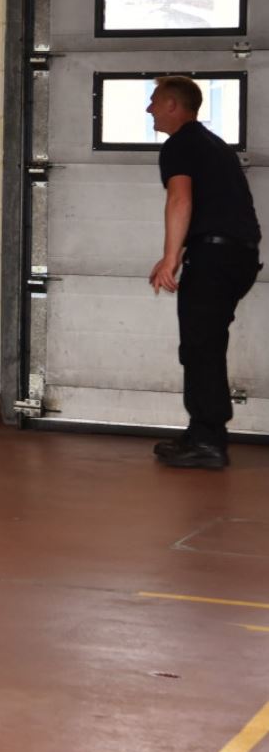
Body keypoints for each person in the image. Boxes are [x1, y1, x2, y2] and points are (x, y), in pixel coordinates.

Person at [146, 75, 259, 470]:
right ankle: (202, 433)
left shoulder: (181, 145)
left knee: (201, 347)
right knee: (203, 344)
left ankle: (208, 441)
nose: (150, 110)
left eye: (155, 102)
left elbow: (180, 199)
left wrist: (169, 257)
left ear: (174, 106)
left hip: (214, 257)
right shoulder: (212, 144)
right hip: (237, 257)